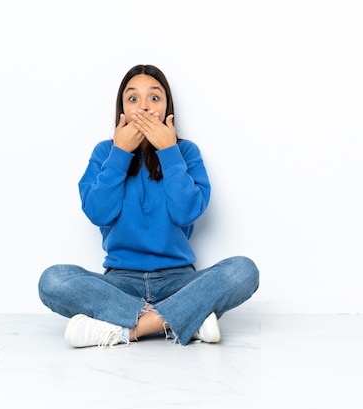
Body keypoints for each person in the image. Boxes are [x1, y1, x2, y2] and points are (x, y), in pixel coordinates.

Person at [38, 64, 259, 348]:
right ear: (122, 110)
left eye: (154, 98)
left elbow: (187, 212)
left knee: (242, 270)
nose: (143, 107)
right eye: (133, 99)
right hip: (120, 283)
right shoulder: (105, 152)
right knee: (54, 280)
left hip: (178, 281)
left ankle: (125, 329)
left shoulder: (186, 152)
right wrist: (120, 153)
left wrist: (168, 151)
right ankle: (185, 319)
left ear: (168, 109)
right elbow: (98, 212)